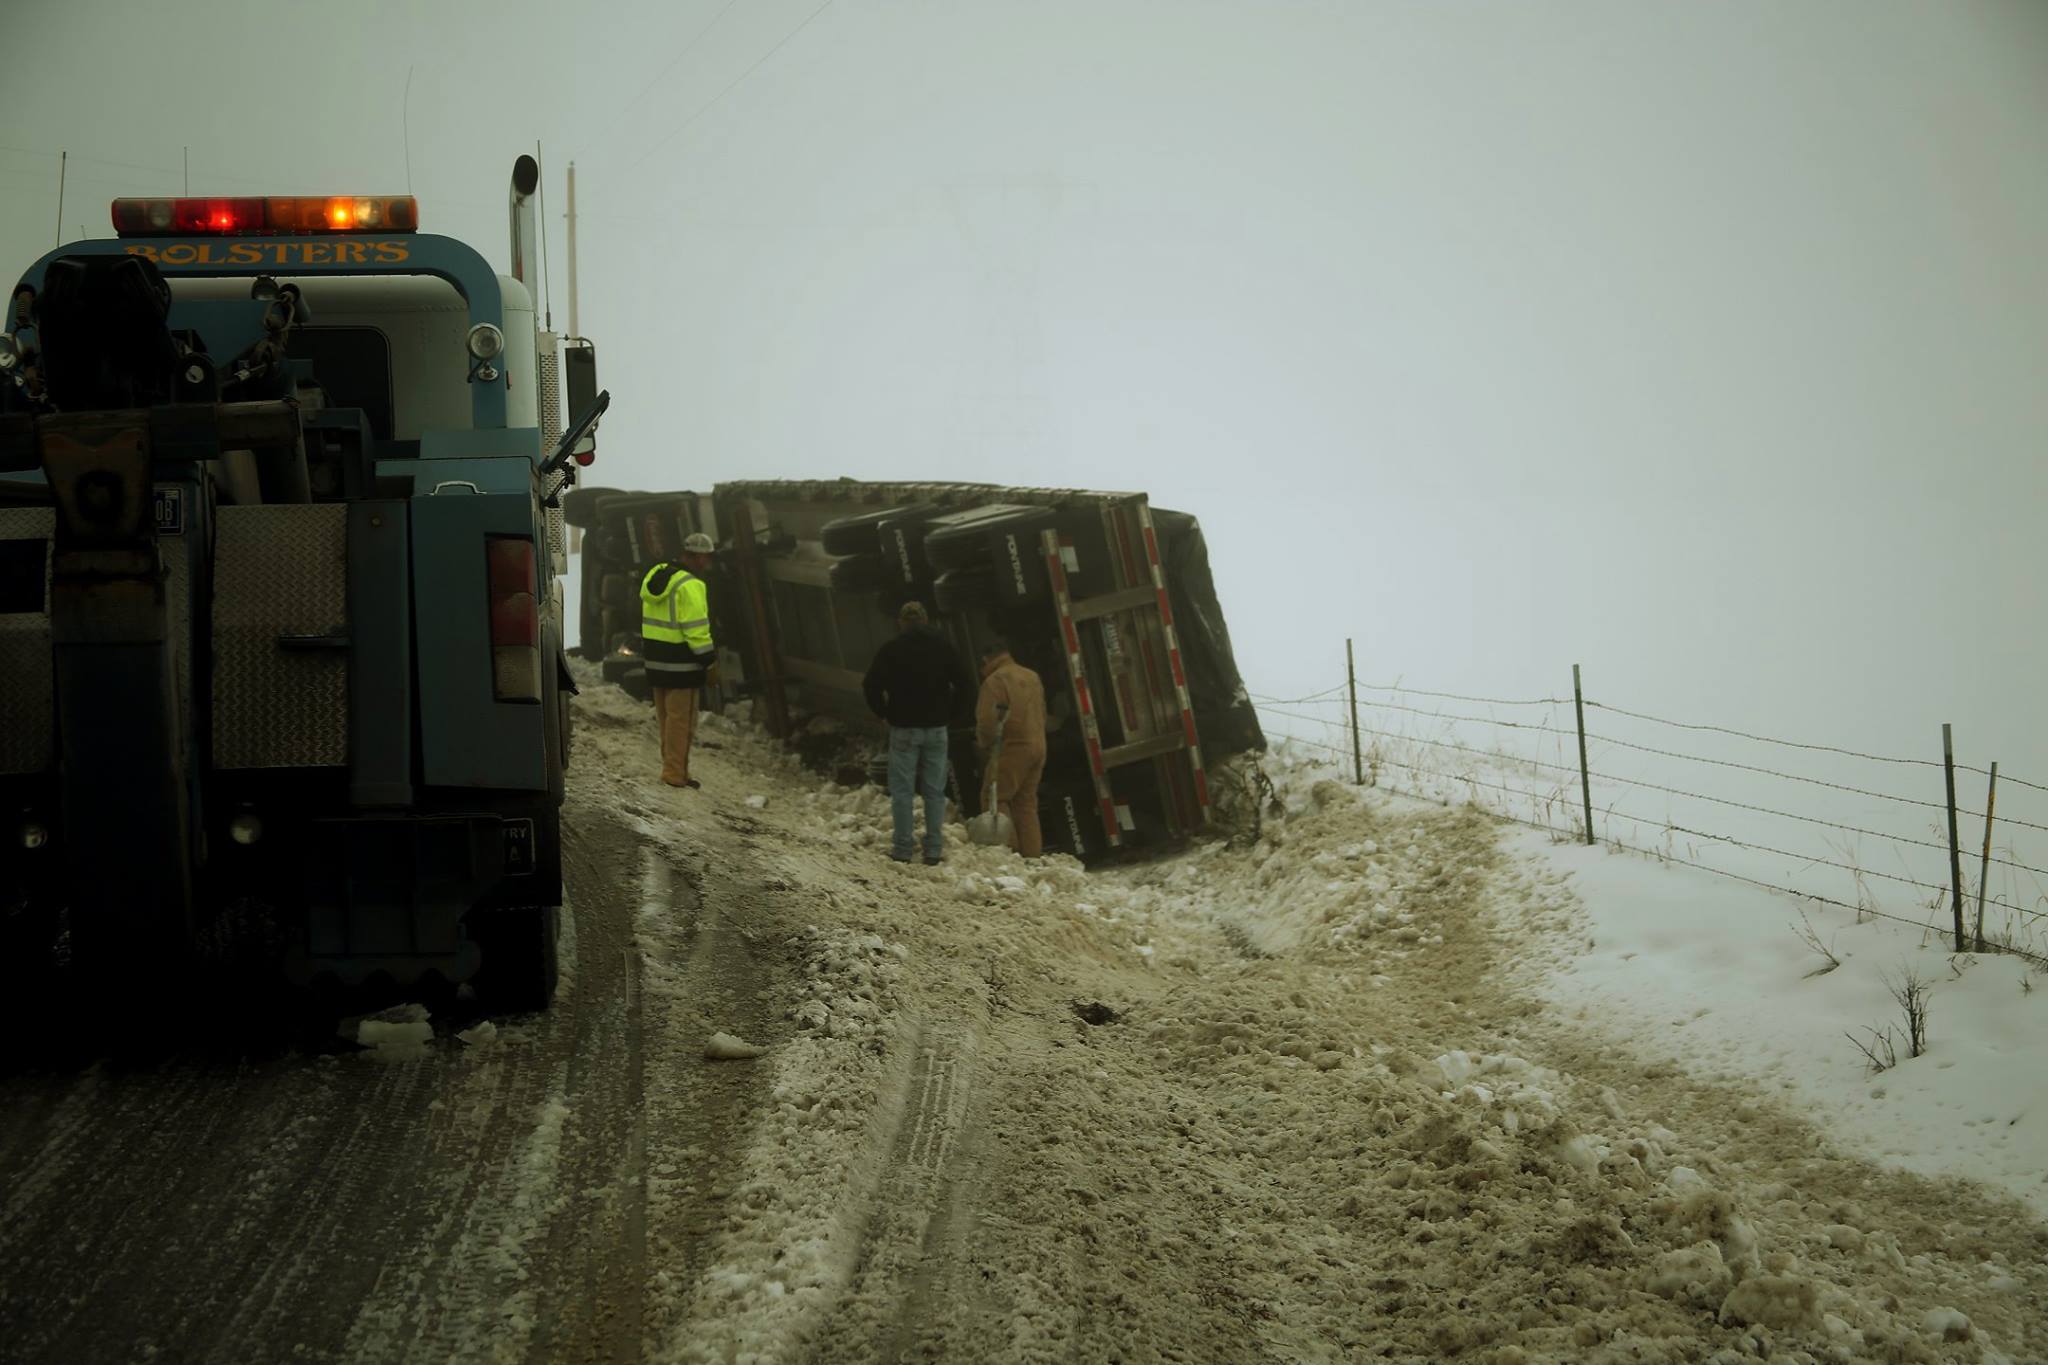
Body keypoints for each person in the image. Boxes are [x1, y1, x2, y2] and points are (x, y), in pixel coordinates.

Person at [862, 601, 975, 865]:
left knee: (902, 792)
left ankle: (902, 849)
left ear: (901, 622)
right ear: (925, 621)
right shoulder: (943, 647)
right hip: (936, 730)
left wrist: (883, 713)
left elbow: (870, 685)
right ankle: (933, 850)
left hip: (903, 730)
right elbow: (966, 685)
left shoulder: (891, 650)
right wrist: (951, 715)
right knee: (934, 791)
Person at [640, 532, 717, 789]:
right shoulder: (691, 585)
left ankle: (671, 768)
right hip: (683, 667)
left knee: (666, 720)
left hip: (656, 662)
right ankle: (675, 774)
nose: (707, 563)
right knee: (682, 722)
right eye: (706, 558)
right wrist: (710, 661)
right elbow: (696, 629)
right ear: (698, 557)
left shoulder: (657, 575)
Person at [975, 639, 1047, 859]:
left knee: (995, 798)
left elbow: (988, 722)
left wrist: (983, 743)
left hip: (1012, 747)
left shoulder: (995, 681)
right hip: (1039, 745)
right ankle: (1033, 858)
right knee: (1026, 803)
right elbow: (1042, 712)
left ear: (986, 659)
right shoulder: (1031, 676)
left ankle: (1010, 856)